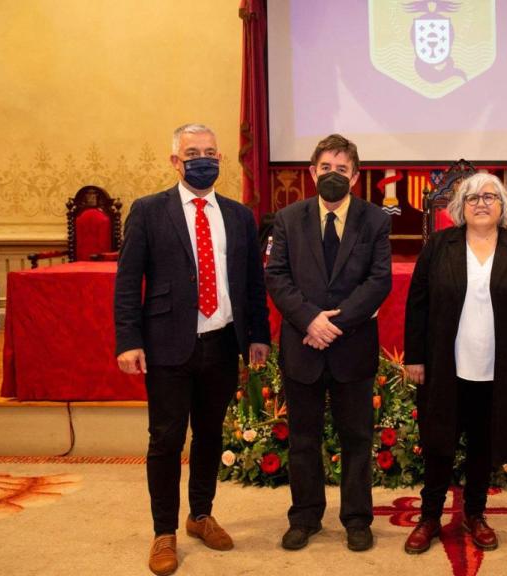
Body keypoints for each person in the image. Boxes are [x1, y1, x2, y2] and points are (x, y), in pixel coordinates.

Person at [114, 123, 271, 576]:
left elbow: (252, 283)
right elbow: (128, 282)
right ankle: (163, 531)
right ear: (175, 161)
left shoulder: (238, 216)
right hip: (167, 344)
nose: (203, 159)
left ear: (220, 159)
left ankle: (200, 515)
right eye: (193, 153)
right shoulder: (148, 211)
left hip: (222, 343)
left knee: (209, 434)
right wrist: (129, 340)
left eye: (210, 153)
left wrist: (258, 335)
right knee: (166, 439)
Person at [402, 173, 507, 554]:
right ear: (460, 207)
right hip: (444, 367)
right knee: (439, 444)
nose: (481, 203)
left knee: (483, 445)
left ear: (503, 206)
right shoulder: (439, 246)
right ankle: (429, 517)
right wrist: (415, 356)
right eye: (472, 197)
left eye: (489, 196)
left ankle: (475, 514)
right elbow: (417, 303)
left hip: (498, 371)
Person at [265, 134, 392, 553]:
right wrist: (310, 320)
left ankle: (357, 519)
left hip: (351, 345)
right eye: (325, 168)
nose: (332, 175)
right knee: (303, 438)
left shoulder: (375, 220)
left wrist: (333, 324)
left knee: (357, 438)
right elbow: (277, 276)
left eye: (341, 169)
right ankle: (304, 517)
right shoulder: (288, 218)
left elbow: (379, 280)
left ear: (354, 177)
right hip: (302, 344)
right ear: (311, 172)